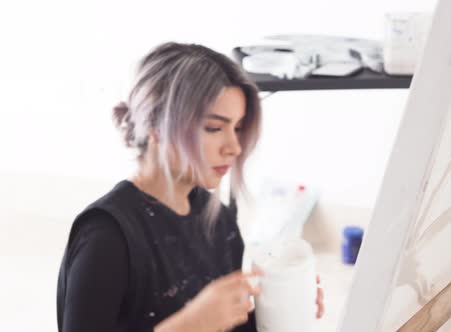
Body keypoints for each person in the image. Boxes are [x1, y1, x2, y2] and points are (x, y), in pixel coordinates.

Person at [57, 42, 324, 332]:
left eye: (236, 127)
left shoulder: (217, 220)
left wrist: (277, 310)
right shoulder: (106, 235)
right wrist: (189, 325)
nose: (233, 147)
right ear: (156, 125)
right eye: (214, 128)